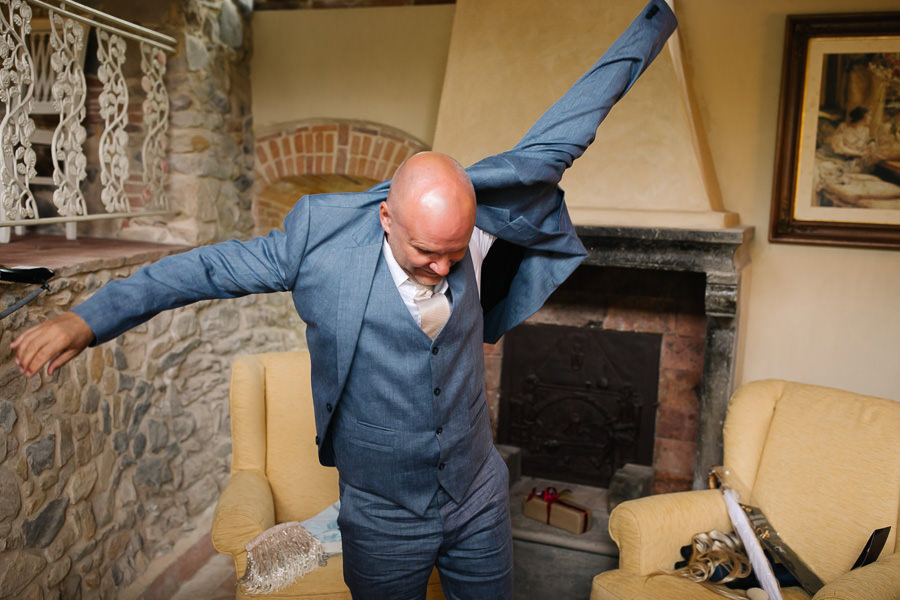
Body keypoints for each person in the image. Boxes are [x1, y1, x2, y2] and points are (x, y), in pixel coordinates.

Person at [12, 2, 677, 598]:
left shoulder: (476, 215)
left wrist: (660, 17)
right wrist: (86, 317)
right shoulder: (320, 248)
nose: (445, 267)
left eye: (456, 250)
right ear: (388, 218)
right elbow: (202, 270)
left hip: (476, 497)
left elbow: (574, 120)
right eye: (428, 253)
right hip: (382, 512)